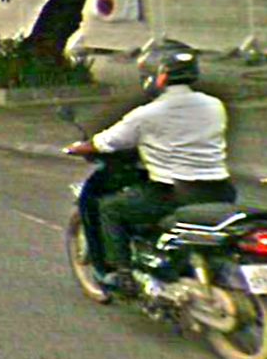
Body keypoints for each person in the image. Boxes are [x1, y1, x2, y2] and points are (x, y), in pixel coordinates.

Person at [66, 39, 236, 299]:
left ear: (159, 76)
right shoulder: (215, 105)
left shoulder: (147, 114)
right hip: (220, 190)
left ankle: (122, 274)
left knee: (110, 208)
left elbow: (106, 142)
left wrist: (78, 148)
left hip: (174, 194)